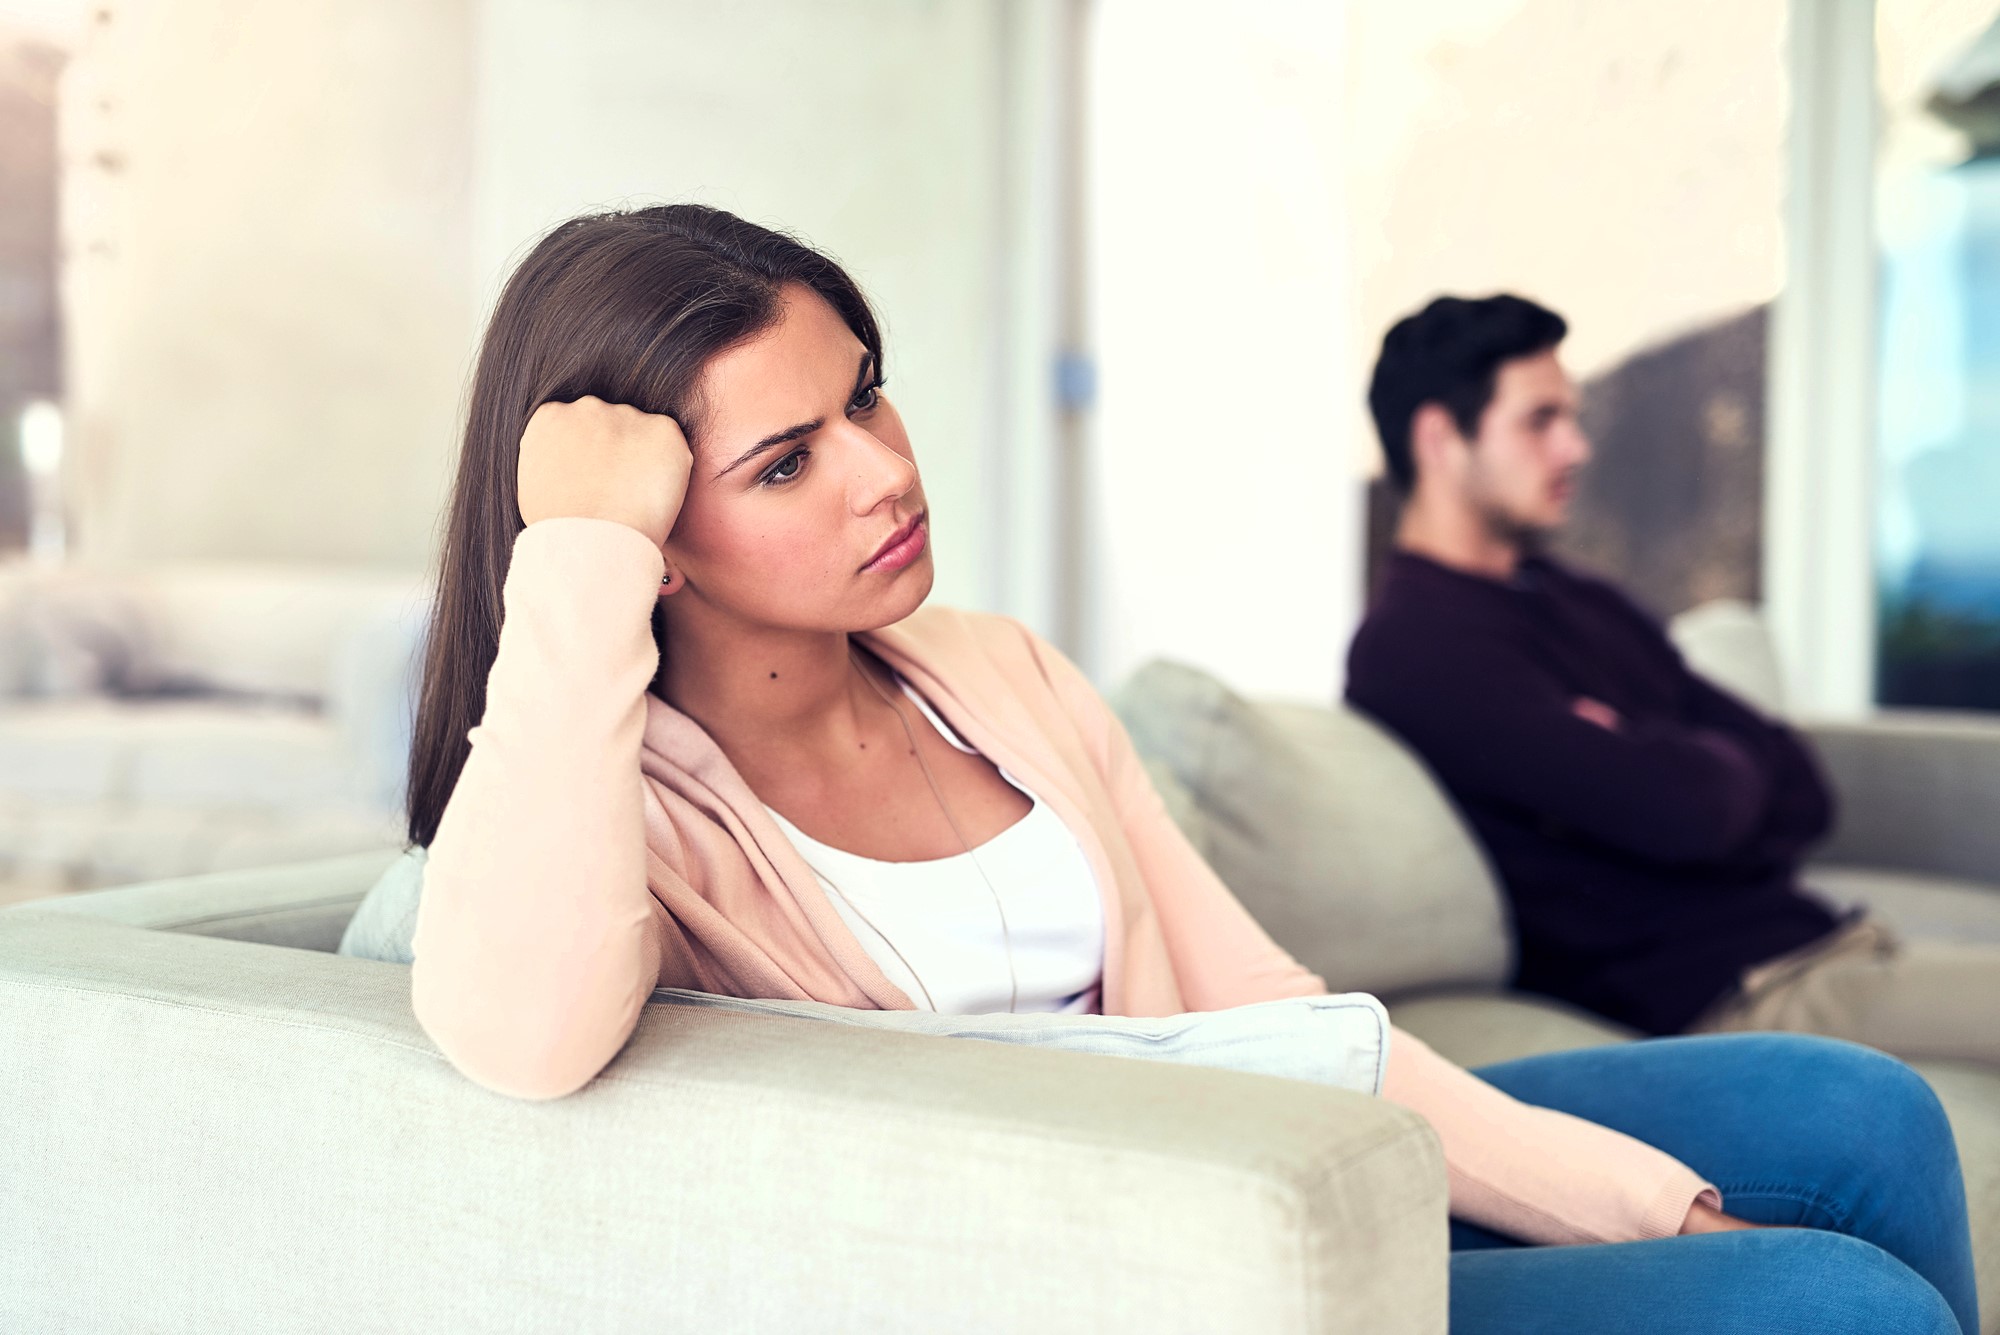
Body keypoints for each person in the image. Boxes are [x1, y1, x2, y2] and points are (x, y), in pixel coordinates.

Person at [399, 208, 1976, 1333]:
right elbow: (520, 1037)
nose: (888, 468)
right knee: (1827, 1299)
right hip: (1145, 1265)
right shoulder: (628, 807)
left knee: (1856, 1112)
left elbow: (1271, 1014)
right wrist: (581, 556)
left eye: (866, 388)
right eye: (788, 458)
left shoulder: (995, 666)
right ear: (661, 544)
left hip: (1259, 1150)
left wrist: (1649, 1206)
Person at [1346, 293, 2000, 1073]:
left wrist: (1652, 751)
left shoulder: (1571, 596)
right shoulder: (1420, 647)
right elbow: (1688, 813)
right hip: (1740, 994)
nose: (1576, 448)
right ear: (1439, 437)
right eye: (1540, 420)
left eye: (1572, 418)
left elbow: (1802, 788)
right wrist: (1693, 763)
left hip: (1824, 945)